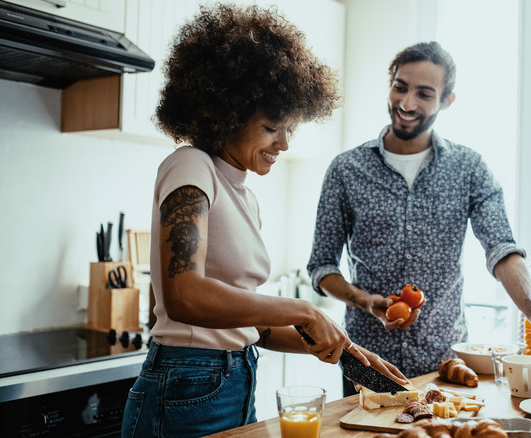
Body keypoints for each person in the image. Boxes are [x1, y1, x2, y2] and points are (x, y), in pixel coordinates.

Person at [121, 5, 408, 437]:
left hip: (235, 383)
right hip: (186, 388)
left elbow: (253, 327)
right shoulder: (191, 166)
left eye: (291, 127)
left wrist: (346, 349)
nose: (285, 143)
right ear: (227, 112)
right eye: (273, 126)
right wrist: (304, 310)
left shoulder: (246, 198)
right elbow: (184, 294)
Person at [306, 41, 531, 397]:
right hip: (366, 360)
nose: (406, 103)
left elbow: (501, 249)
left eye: (424, 94)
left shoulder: (469, 168)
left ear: (447, 101)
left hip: (445, 363)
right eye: (400, 87)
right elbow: (322, 267)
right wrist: (365, 301)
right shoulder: (345, 170)